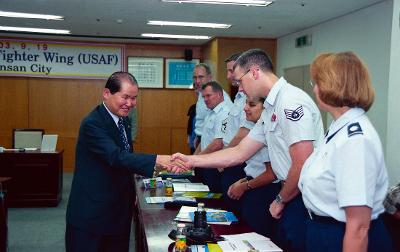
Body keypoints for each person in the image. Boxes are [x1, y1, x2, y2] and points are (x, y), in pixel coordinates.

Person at [169, 48, 324, 251]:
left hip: (300, 196)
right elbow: (239, 151)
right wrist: (191, 160)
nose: (239, 89)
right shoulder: (270, 108)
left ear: (255, 72)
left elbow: (302, 161)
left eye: (240, 81)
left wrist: (280, 199)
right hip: (288, 192)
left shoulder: (290, 102)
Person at [65, 72, 172, 252]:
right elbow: (116, 156)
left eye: (134, 98)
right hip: (92, 216)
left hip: (118, 213)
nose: (130, 103)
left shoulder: (123, 121)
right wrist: (157, 160)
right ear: (107, 93)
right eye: (125, 97)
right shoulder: (93, 123)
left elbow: (126, 158)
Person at [298, 52, 393, 252]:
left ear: (333, 85)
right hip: (325, 231)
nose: (314, 88)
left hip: (342, 237)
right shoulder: (337, 128)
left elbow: (358, 226)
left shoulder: (355, 139)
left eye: (316, 82)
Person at [227, 96, 280, 239]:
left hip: (264, 192)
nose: (245, 108)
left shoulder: (268, 131)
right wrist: (244, 180)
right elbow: (257, 168)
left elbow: (271, 174)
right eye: (245, 104)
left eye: (251, 104)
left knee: (257, 238)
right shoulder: (258, 127)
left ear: (265, 108)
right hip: (254, 185)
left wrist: (245, 186)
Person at [194, 81, 231, 192]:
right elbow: (204, 139)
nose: (205, 99)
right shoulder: (211, 113)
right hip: (205, 163)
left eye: (208, 95)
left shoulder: (224, 113)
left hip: (215, 166)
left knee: (213, 200)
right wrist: (193, 159)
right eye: (204, 96)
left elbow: (218, 143)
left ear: (219, 94)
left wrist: (196, 159)